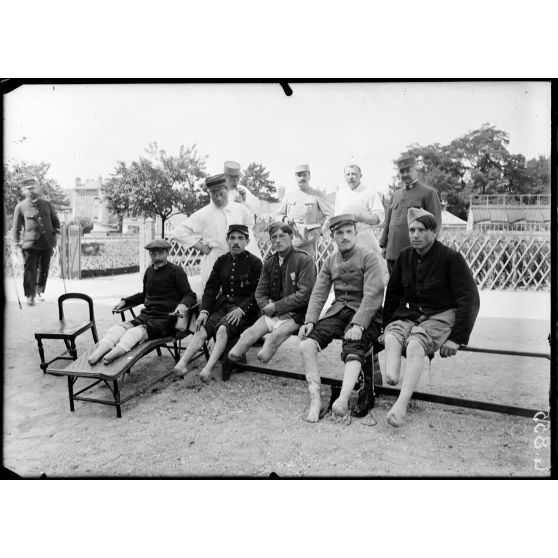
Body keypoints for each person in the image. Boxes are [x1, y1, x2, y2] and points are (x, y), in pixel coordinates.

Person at [382, 208, 480, 427]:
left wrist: (457, 338)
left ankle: (401, 405)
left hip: (441, 315)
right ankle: (392, 377)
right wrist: (387, 326)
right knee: (392, 335)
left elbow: (470, 299)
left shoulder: (451, 258)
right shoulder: (405, 256)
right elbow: (393, 294)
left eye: (421, 230)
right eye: (411, 230)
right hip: (412, 314)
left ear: (434, 232)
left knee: (415, 345)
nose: (415, 235)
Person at [299, 214, 384, 423]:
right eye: (339, 233)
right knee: (306, 344)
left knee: (354, 342)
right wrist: (310, 320)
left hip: (366, 313)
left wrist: (358, 324)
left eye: (348, 232)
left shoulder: (369, 257)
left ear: (355, 234)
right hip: (339, 311)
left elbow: (373, 294)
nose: (344, 237)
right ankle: (315, 398)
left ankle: (343, 399)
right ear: (332, 236)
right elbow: (319, 293)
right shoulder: (330, 261)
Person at [172, 224, 262, 385]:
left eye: (240, 238)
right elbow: (211, 288)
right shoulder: (221, 261)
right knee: (202, 328)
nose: (236, 242)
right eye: (232, 238)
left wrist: (241, 310)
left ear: (247, 241)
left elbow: (257, 293)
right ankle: (182, 364)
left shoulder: (255, 263)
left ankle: (208, 368)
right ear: (227, 241)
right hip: (223, 305)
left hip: (245, 310)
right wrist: (204, 311)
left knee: (222, 329)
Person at [87, 239, 197, 365]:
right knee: (118, 328)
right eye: (154, 254)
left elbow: (190, 294)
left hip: (167, 319)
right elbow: (145, 295)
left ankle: (115, 352)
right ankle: (99, 352)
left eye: (161, 253)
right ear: (149, 254)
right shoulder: (149, 272)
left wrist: (182, 304)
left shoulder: (176, 271)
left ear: (167, 252)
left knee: (135, 332)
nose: (157, 258)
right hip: (147, 315)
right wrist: (126, 301)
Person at [227, 222, 316, 365]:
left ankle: (269, 347)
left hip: (297, 313)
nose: (278, 240)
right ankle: (236, 352)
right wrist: (266, 306)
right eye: (274, 237)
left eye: (282, 236)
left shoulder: (304, 260)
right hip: (272, 312)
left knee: (276, 336)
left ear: (291, 236)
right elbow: (260, 292)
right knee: (249, 333)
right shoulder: (269, 262)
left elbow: (304, 294)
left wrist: (277, 307)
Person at [172, 173, 262, 289]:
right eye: (214, 195)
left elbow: (249, 223)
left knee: (240, 295)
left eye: (221, 194)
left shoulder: (239, 208)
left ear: (226, 190)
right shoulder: (203, 214)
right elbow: (179, 232)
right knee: (215, 298)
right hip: (215, 262)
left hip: (240, 262)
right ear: (209, 194)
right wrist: (201, 247)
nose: (218, 198)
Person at [379, 155, 442, 274]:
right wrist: (384, 245)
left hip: (414, 253)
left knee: (412, 289)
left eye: (408, 170)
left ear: (415, 170)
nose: (405, 174)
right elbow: (388, 223)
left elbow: (435, 223)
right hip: (392, 253)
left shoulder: (428, 193)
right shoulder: (395, 195)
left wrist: (428, 250)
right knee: (394, 289)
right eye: (402, 171)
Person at [11, 177, 61, 306]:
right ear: (24, 191)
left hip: (47, 243)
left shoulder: (47, 204)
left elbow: (55, 221)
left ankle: (39, 292)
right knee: (30, 270)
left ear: (37, 188)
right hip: (30, 245)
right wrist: (15, 246)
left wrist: (56, 233)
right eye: (28, 189)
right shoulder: (20, 207)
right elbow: (16, 229)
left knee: (44, 269)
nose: (31, 190)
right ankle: (30, 295)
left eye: (33, 187)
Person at [276, 164, 333, 259]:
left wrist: (321, 231)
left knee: (307, 268)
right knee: (290, 270)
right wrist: (284, 218)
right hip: (291, 239)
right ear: (295, 177)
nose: (302, 178)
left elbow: (330, 215)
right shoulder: (289, 196)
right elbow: (278, 214)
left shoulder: (317, 195)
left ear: (309, 176)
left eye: (304, 175)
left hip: (309, 240)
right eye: (299, 175)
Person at [333, 164, 385, 257]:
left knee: (368, 266)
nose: (351, 177)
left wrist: (360, 218)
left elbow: (378, 218)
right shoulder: (340, 194)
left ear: (360, 175)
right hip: (345, 239)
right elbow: (337, 217)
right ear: (344, 177)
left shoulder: (369, 192)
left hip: (364, 238)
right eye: (348, 174)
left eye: (354, 174)